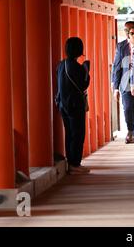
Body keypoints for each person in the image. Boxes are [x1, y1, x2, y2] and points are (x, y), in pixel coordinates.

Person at [56, 37, 91, 174]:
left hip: (63, 103)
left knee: (69, 133)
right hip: (75, 104)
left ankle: (71, 162)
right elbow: (83, 85)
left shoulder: (61, 65)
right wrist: (87, 70)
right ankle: (75, 163)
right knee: (78, 133)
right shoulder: (77, 67)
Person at [112, 26, 134, 146]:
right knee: (127, 109)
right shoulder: (121, 47)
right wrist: (115, 88)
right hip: (125, 82)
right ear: (128, 35)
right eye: (132, 33)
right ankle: (130, 130)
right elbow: (116, 67)